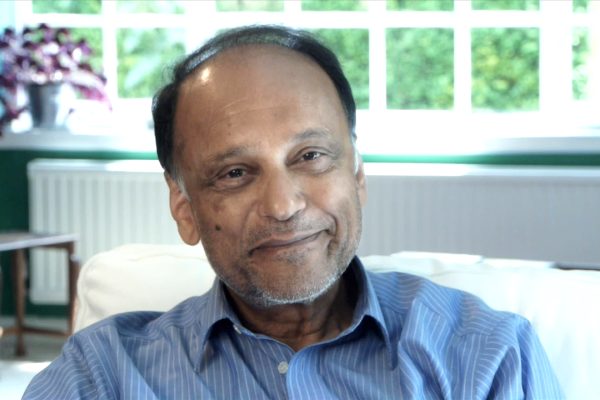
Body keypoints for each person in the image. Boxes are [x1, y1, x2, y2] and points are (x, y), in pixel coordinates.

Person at [24, 25, 563, 399]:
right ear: (183, 207)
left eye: (309, 156)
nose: (283, 206)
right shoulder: (104, 374)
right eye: (235, 173)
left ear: (356, 174)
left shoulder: (489, 356)